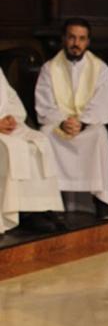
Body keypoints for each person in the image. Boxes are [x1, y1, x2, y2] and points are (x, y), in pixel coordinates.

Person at [35, 18, 108, 220]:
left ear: (88, 41)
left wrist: (83, 122)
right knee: (45, 135)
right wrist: (62, 121)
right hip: (60, 125)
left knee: (99, 135)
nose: (76, 43)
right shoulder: (49, 68)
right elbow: (45, 103)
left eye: (81, 38)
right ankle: (52, 204)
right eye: (71, 37)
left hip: (86, 126)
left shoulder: (100, 69)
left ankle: (102, 202)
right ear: (64, 39)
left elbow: (102, 103)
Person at [0, 68, 65, 233]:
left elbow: (10, 97)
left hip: (4, 125)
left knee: (39, 141)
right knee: (14, 148)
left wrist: (11, 117)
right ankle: (19, 211)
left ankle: (40, 206)